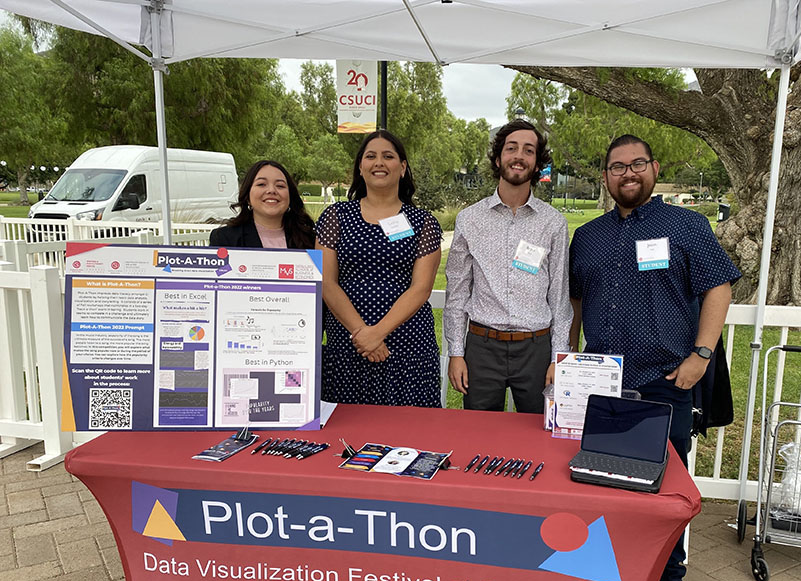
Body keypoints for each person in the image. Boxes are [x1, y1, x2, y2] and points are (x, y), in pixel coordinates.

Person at [569, 134, 741, 581]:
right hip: (603, 383)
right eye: (617, 166)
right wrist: (570, 357)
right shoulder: (589, 236)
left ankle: (670, 579)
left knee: (666, 488)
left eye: (637, 164)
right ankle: (610, 573)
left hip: (666, 380)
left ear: (653, 168)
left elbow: (718, 287)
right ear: (605, 176)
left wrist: (701, 356)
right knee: (603, 481)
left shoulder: (686, 226)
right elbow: (578, 302)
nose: (628, 174)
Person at [444, 119, 572, 413]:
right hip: (482, 347)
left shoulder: (553, 223)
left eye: (529, 150)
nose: (519, 156)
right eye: (511, 148)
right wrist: (456, 353)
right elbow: (457, 292)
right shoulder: (470, 219)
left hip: (536, 349)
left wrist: (558, 357)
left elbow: (560, 297)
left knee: (538, 435)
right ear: (498, 156)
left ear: (537, 162)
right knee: (478, 435)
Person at [315, 130, 442, 407]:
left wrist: (378, 332)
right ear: (360, 167)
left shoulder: (422, 222)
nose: (379, 163)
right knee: (346, 433)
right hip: (349, 343)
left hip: (407, 346)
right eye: (370, 156)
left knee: (409, 434)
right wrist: (362, 333)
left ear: (403, 167)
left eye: (389, 156)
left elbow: (421, 288)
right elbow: (326, 281)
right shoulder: (336, 217)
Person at [210, 160, 315, 250]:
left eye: (280, 185)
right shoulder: (224, 238)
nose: (271, 191)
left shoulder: (311, 238)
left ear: (290, 196)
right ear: (248, 196)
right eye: (261, 184)